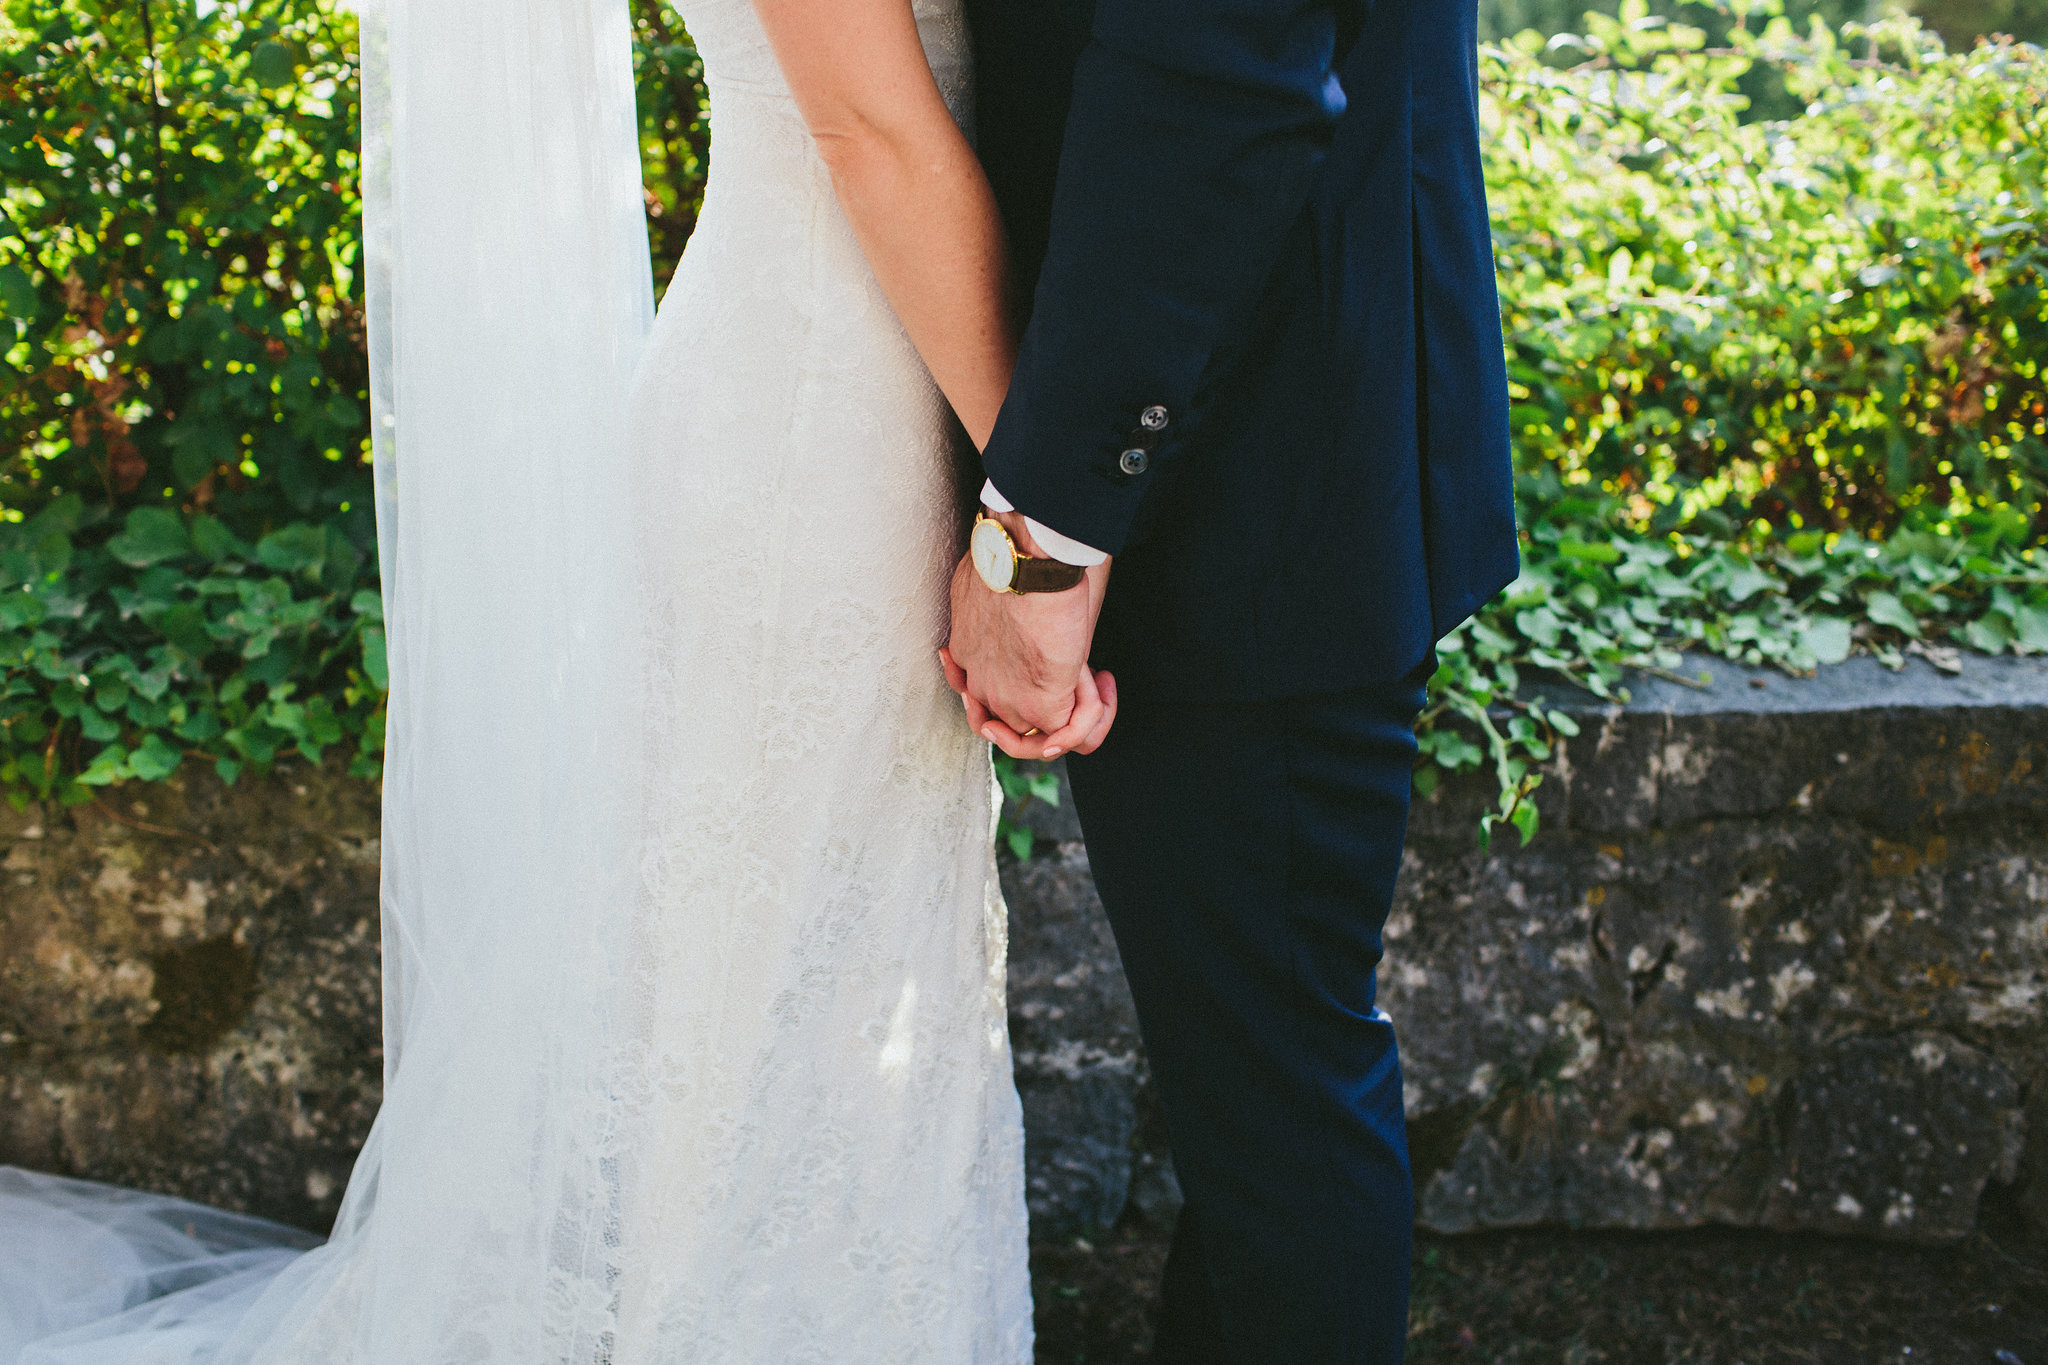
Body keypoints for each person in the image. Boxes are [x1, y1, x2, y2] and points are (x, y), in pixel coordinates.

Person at [0, 1, 1514, 1363]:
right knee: (802, 1034)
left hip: (1166, 429)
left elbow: (1218, 67)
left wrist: (1040, 533)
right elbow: (872, 131)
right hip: (828, 438)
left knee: (1251, 1083)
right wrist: (1042, 540)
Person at [945, 0, 1520, 1359]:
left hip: (1246, 462)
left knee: (1280, 1114)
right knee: (1261, 1096)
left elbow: (1220, 72)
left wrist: (1040, 531)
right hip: (1258, 410)